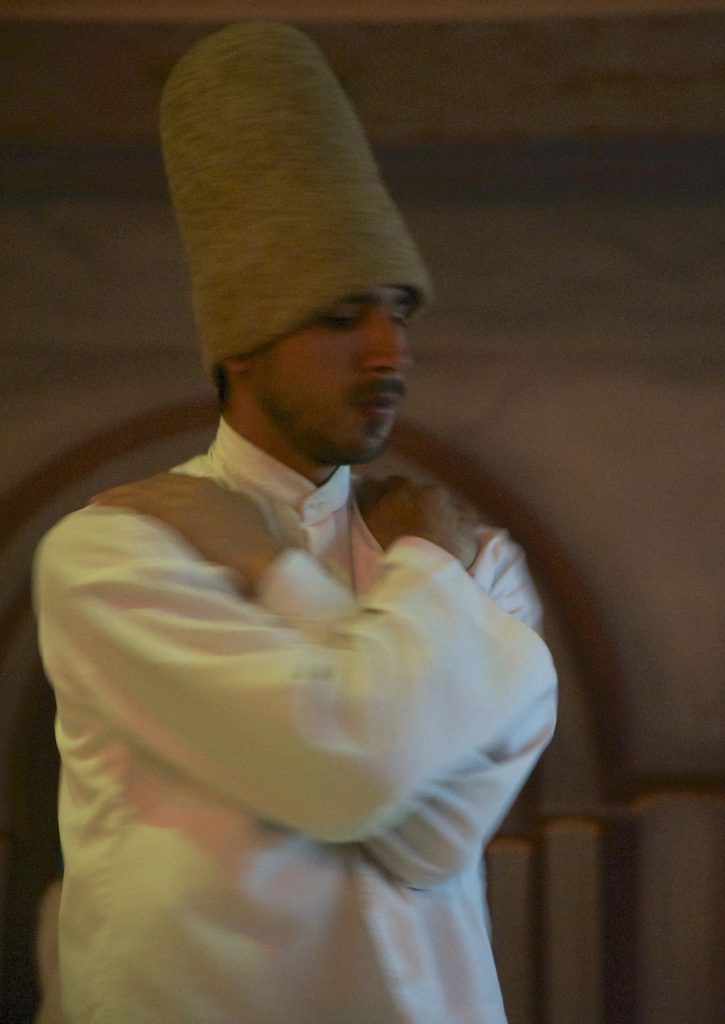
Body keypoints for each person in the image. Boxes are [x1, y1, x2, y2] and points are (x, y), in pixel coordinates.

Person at [33, 22, 557, 1024]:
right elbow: (352, 773)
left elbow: (429, 837)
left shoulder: (465, 560)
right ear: (240, 341)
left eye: (396, 311)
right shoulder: (116, 548)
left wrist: (282, 576)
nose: (387, 353)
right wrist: (407, 621)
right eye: (339, 315)